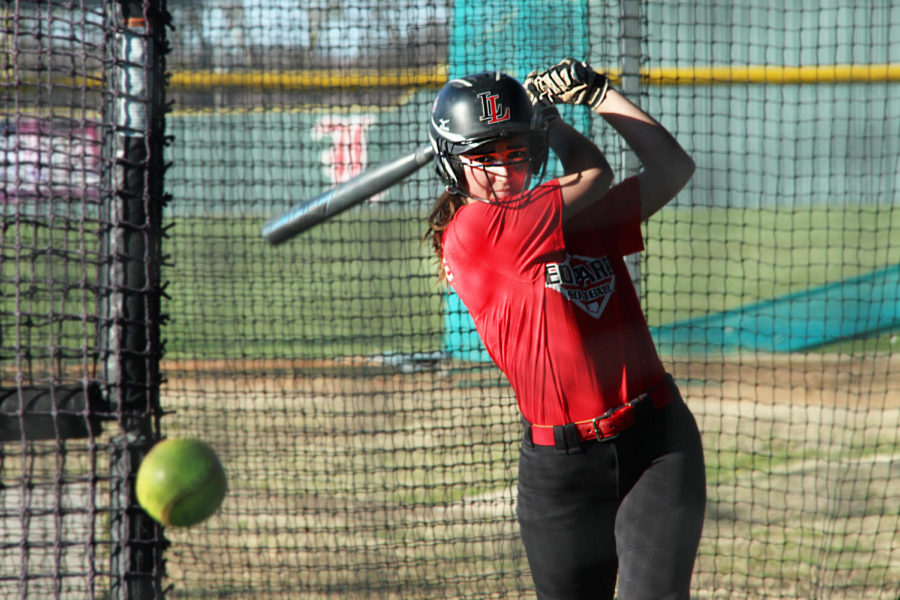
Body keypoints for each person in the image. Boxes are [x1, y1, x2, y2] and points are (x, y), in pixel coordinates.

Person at [425, 60, 706, 600]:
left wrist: (602, 95)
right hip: (562, 471)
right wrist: (550, 125)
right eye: (486, 158)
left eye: (517, 154)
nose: (507, 172)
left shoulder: (570, 216)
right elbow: (595, 172)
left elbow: (672, 167)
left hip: (656, 441)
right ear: (453, 164)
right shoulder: (474, 231)